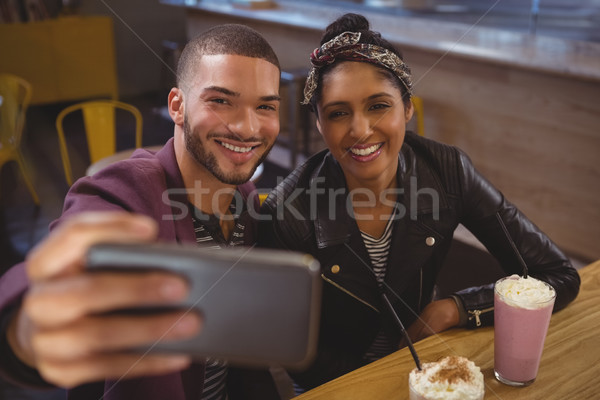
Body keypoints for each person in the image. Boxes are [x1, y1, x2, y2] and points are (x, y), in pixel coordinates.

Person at [259, 13, 581, 391]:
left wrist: (455, 308)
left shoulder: (446, 170)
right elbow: (288, 347)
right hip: (338, 383)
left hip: (428, 365)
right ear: (318, 123)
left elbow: (556, 275)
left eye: (378, 105)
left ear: (407, 108)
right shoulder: (288, 210)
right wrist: (381, 382)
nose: (360, 130)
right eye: (339, 113)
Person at [0, 24, 283, 399]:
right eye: (221, 100)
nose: (247, 126)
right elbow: (66, 260)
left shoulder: (245, 198)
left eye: (265, 106)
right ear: (177, 106)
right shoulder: (127, 190)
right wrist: (25, 329)